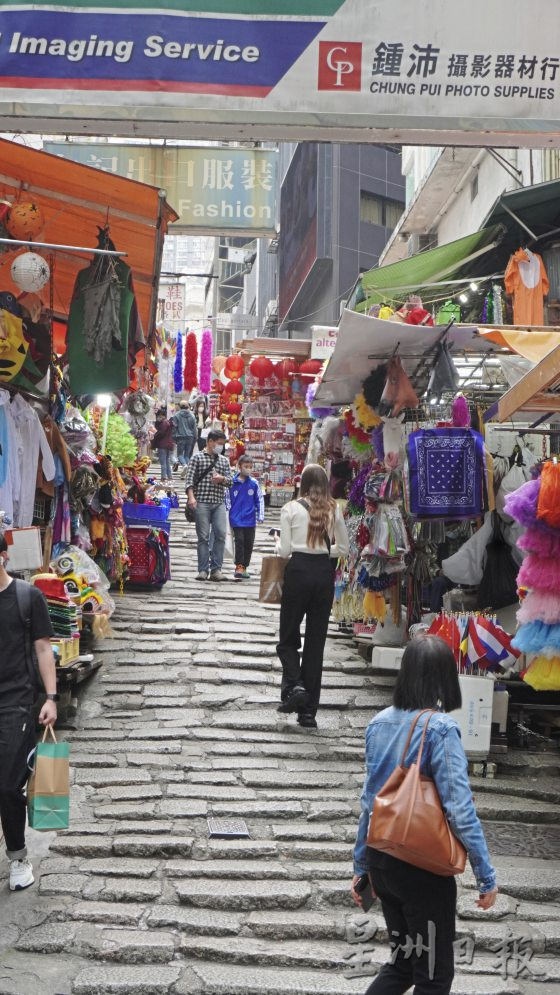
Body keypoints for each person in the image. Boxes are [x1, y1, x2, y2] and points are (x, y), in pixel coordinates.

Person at [351, 635, 498, 995]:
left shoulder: (379, 723)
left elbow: (370, 800)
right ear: (443, 678)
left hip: (383, 858)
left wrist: (361, 866)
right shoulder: (441, 729)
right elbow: (459, 809)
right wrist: (485, 875)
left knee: (402, 963)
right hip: (422, 865)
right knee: (433, 975)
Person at [0, 533, 58, 892]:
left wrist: (51, 697)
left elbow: (42, 648)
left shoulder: (26, 597)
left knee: (7, 785)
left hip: (17, 701)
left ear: (3, 557)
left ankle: (18, 857)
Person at [275, 463, 349, 729]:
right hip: (322, 575)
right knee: (315, 644)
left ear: (303, 483)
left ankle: (294, 686)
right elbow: (344, 548)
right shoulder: (334, 509)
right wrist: (322, 551)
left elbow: (284, 552)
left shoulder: (290, 509)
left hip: (298, 572)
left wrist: (281, 543)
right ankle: (308, 713)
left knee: (288, 637)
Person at [185, 429, 233, 582]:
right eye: (219, 443)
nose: (221, 447)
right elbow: (189, 480)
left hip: (218, 502)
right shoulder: (197, 458)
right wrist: (191, 498)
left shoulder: (224, 461)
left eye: (222, 444)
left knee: (220, 534)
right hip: (202, 502)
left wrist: (222, 479)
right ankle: (203, 570)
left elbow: (231, 481)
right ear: (210, 441)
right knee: (203, 537)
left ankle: (216, 569)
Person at [226, 455, 264, 580]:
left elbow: (259, 499)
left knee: (249, 543)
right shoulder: (232, 482)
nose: (248, 469)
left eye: (250, 467)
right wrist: (227, 512)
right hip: (236, 518)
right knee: (240, 541)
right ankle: (239, 566)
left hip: (250, 519)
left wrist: (260, 515)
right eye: (245, 466)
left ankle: (245, 566)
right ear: (239, 466)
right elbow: (227, 499)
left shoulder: (254, 483)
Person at [171, 401, 197, 478]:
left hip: (180, 437)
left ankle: (185, 465)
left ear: (180, 407)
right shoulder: (192, 415)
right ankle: (188, 471)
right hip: (190, 437)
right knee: (187, 455)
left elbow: (174, 428)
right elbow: (194, 428)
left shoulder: (176, 416)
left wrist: (174, 437)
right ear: (187, 407)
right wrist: (195, 438)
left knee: (179, 454)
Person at [152, 408, 174, 484]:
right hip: (168, 445)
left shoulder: (164, 423)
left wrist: (154, 435)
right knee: (167, 462)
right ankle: (170, 477)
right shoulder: (167, 422)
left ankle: (163, 477)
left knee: (163, 462)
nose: (158, 417)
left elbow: (161, 433)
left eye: (159, 415)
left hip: (163, 445)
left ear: (162, 415)